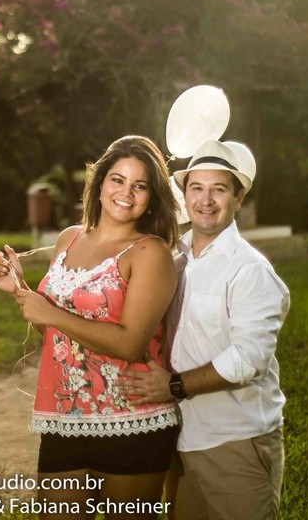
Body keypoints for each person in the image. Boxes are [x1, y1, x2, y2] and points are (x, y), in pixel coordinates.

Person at [0, 135, 184, 520]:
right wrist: (20, 290)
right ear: (99, 183)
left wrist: (51, 314)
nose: (126, 193)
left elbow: (130, 344)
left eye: (140, 185)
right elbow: (57, 335)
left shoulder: (150, 252)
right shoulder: (69, 238)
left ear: (151, 197)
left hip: (132, 419)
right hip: (65, 418)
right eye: (118, 180)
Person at [120, 138, 290, 520]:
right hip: (181, 439)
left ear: (238, 198)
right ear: (185, 195)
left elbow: (249, 360)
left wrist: (172, 385)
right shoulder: (173, 259)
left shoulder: (249, 269)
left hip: (236, 440)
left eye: (219, 189)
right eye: (196, 188)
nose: (206, 200)